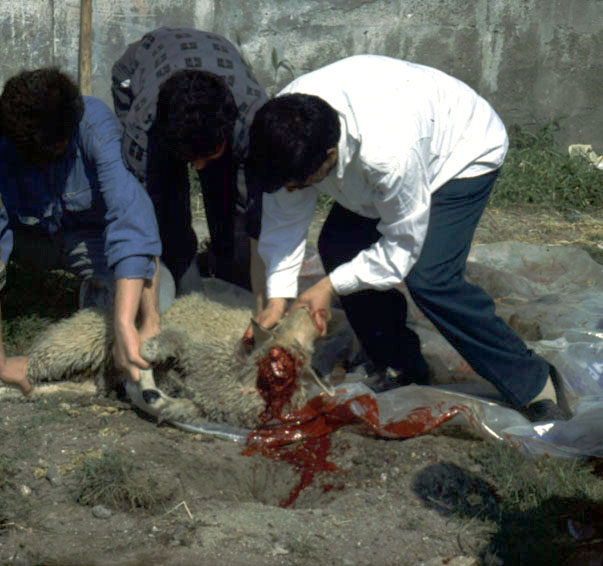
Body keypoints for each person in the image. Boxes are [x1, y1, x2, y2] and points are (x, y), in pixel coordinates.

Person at [245, 55, 569, 418]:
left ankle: (533, 381)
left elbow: (401, 247)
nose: (295, 190)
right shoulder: (283, 130)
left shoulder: (388, 151)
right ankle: (400, 363)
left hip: (459, 151)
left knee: (431, 279)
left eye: (303, 182)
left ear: (330, 155)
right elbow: (284, 220)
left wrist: (327, 288)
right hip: (394, 148)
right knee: (339, 247)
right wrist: (277, 297)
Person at [0, 68, 162, 395]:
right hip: (29, 243)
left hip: (90, 243)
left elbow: (132, 217)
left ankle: (107, 306)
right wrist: (2, 365)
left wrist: (136, 323)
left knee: (160, 289)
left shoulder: (95, 126)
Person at [111, 27, 268, 311]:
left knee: (232, 203)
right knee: (168, 211)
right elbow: (144, 222)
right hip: (140, 66)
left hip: (218, 53)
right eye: (189, 157)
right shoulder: (142, 132)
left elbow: (256, 211)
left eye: (207, 155)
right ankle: (188, 290)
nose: (197, 167)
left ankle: (227, 269)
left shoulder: (255, 119)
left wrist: (258, 294)